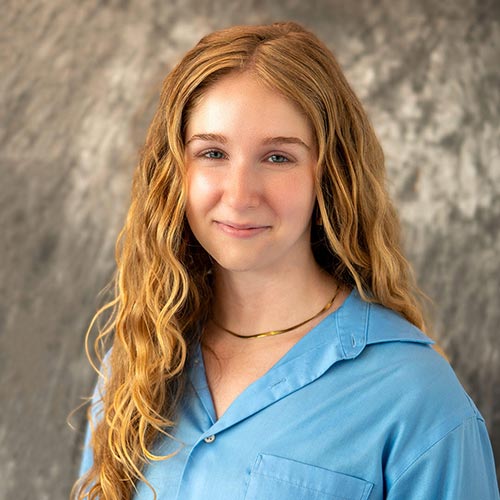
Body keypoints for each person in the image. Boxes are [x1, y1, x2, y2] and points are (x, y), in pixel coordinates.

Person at [73, 21, 499, 500]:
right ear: (175, 172)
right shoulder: (135, 361)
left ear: (331, 175)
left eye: (278, 158)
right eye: (212, 153)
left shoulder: (417, 398)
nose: (238, 196)